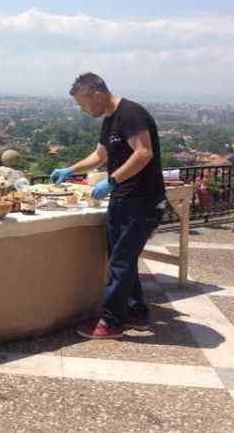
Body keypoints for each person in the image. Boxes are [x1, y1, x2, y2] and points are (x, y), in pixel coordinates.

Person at [50, 73, 166, 339]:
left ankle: (112, 320)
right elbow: (100, 156)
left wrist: (112, 180)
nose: (83, 109)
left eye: (83, 103)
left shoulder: (131, 113)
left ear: (97, 94)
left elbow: (144, 153)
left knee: (121, 262)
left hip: (141, 200)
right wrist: (71, 169)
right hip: (124, 199)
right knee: (121, 259)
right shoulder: (110, 119)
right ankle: (136, 312)